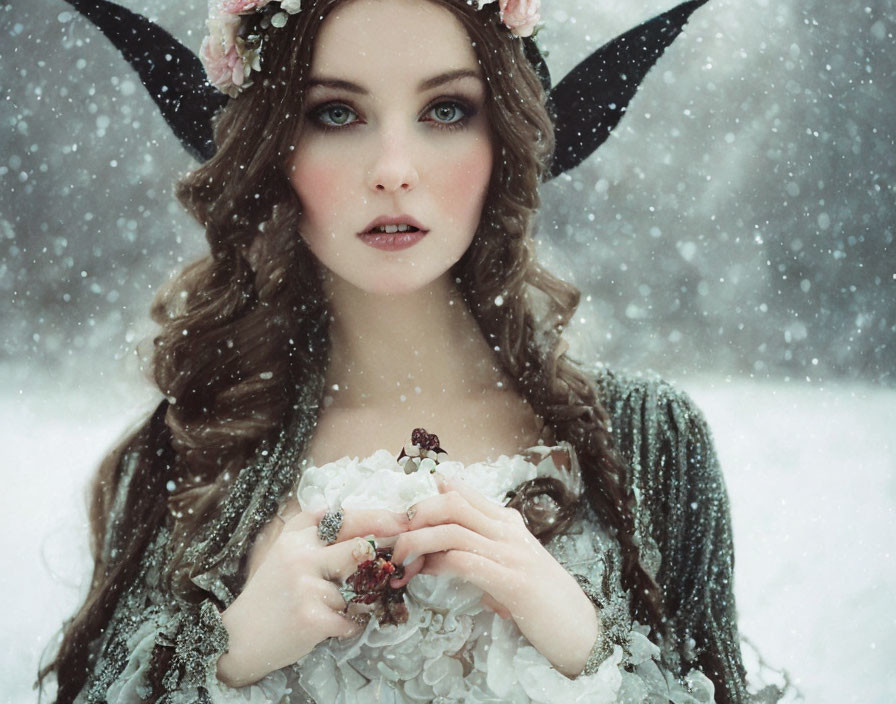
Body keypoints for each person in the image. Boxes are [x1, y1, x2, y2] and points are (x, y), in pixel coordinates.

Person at [37, 0, 783, 702]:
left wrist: (587, 648)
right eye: (336, 113)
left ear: (503, 139)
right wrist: (226, 655)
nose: (393, 166)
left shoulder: (652, 438)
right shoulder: (188, 448)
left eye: (445, 109)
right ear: (275, 150)